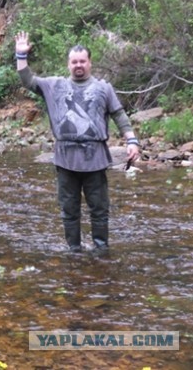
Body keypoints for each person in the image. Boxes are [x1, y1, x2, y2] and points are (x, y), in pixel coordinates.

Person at [14, 31, 140, 253]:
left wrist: (131, 140)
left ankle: (101, 250)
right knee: (69, 210)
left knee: (99, 210)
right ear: (68, 64)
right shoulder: (53, 85)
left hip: (95, 158)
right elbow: (28, 81)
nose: (78, 65)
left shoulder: (104, 88)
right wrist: (21, 55)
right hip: (65, 159)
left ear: (90, 63)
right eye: (74, 62)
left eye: (82, 61)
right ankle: (74, 250)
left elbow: (119, 115)